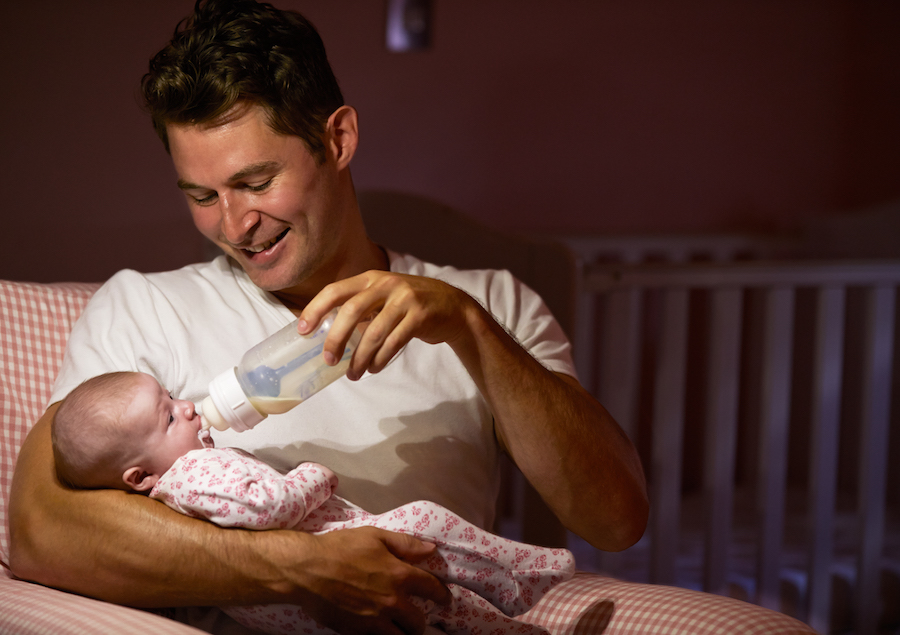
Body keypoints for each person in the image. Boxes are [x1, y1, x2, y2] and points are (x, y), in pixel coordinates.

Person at [8, 1, 648, 633]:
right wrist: (299, 567)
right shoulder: (142, 308)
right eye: (203, 196)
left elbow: (615, 519)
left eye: (257, 183)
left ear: (336, 139)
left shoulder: (493, 303)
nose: (234, 226)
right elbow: (41, 532)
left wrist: (469, 329)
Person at [51, 371, 575, 635]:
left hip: (299, 608)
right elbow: (265, 508)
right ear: (139, 477)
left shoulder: (170, 497)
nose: (187, 407)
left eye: (172, 397)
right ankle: (520, 572)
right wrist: (313, 477)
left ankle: (508, 625)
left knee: (439, 606)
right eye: (168, 417)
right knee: (425, 525)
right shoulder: (194, 472)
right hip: (335, 549)